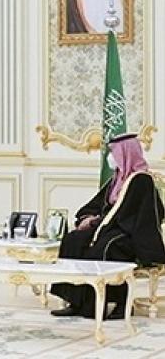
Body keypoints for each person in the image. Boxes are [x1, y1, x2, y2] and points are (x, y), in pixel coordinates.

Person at [50, 133, 165, 319]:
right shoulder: (117, 179)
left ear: (126, 153)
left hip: (130, 233)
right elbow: (98, 204)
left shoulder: (141, 180)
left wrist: (95, 222)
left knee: (105, 247)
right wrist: (88, 217)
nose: (110, 157)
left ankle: (118, 304)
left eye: (114, 152)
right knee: (74, 240)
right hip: (109, 226)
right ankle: (76, 301)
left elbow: (127, 214)